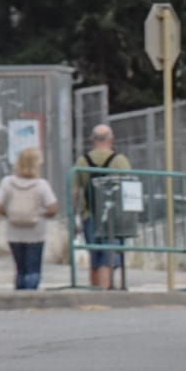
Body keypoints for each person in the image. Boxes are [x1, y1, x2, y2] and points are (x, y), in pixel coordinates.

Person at [0, 147, 59, 290]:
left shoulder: (7, 182)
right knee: (33, 268)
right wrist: (41, 214)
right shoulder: (41, 185)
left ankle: (20, 295)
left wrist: (9, 214)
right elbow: (52, 209)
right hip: (36, 232)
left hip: (14, 232)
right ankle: (31, 297)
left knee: (20, 268)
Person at [74, 124, 131, 290]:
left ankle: (94, 290)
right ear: (110, 139)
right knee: (108, 256)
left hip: (89, 215)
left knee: (95, 255)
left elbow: (75, 191)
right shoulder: (120, 160)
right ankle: (104, 292)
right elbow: (128, 187)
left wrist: (73, 216)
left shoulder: (82, 161)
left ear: (92, 139)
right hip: (114, 217)